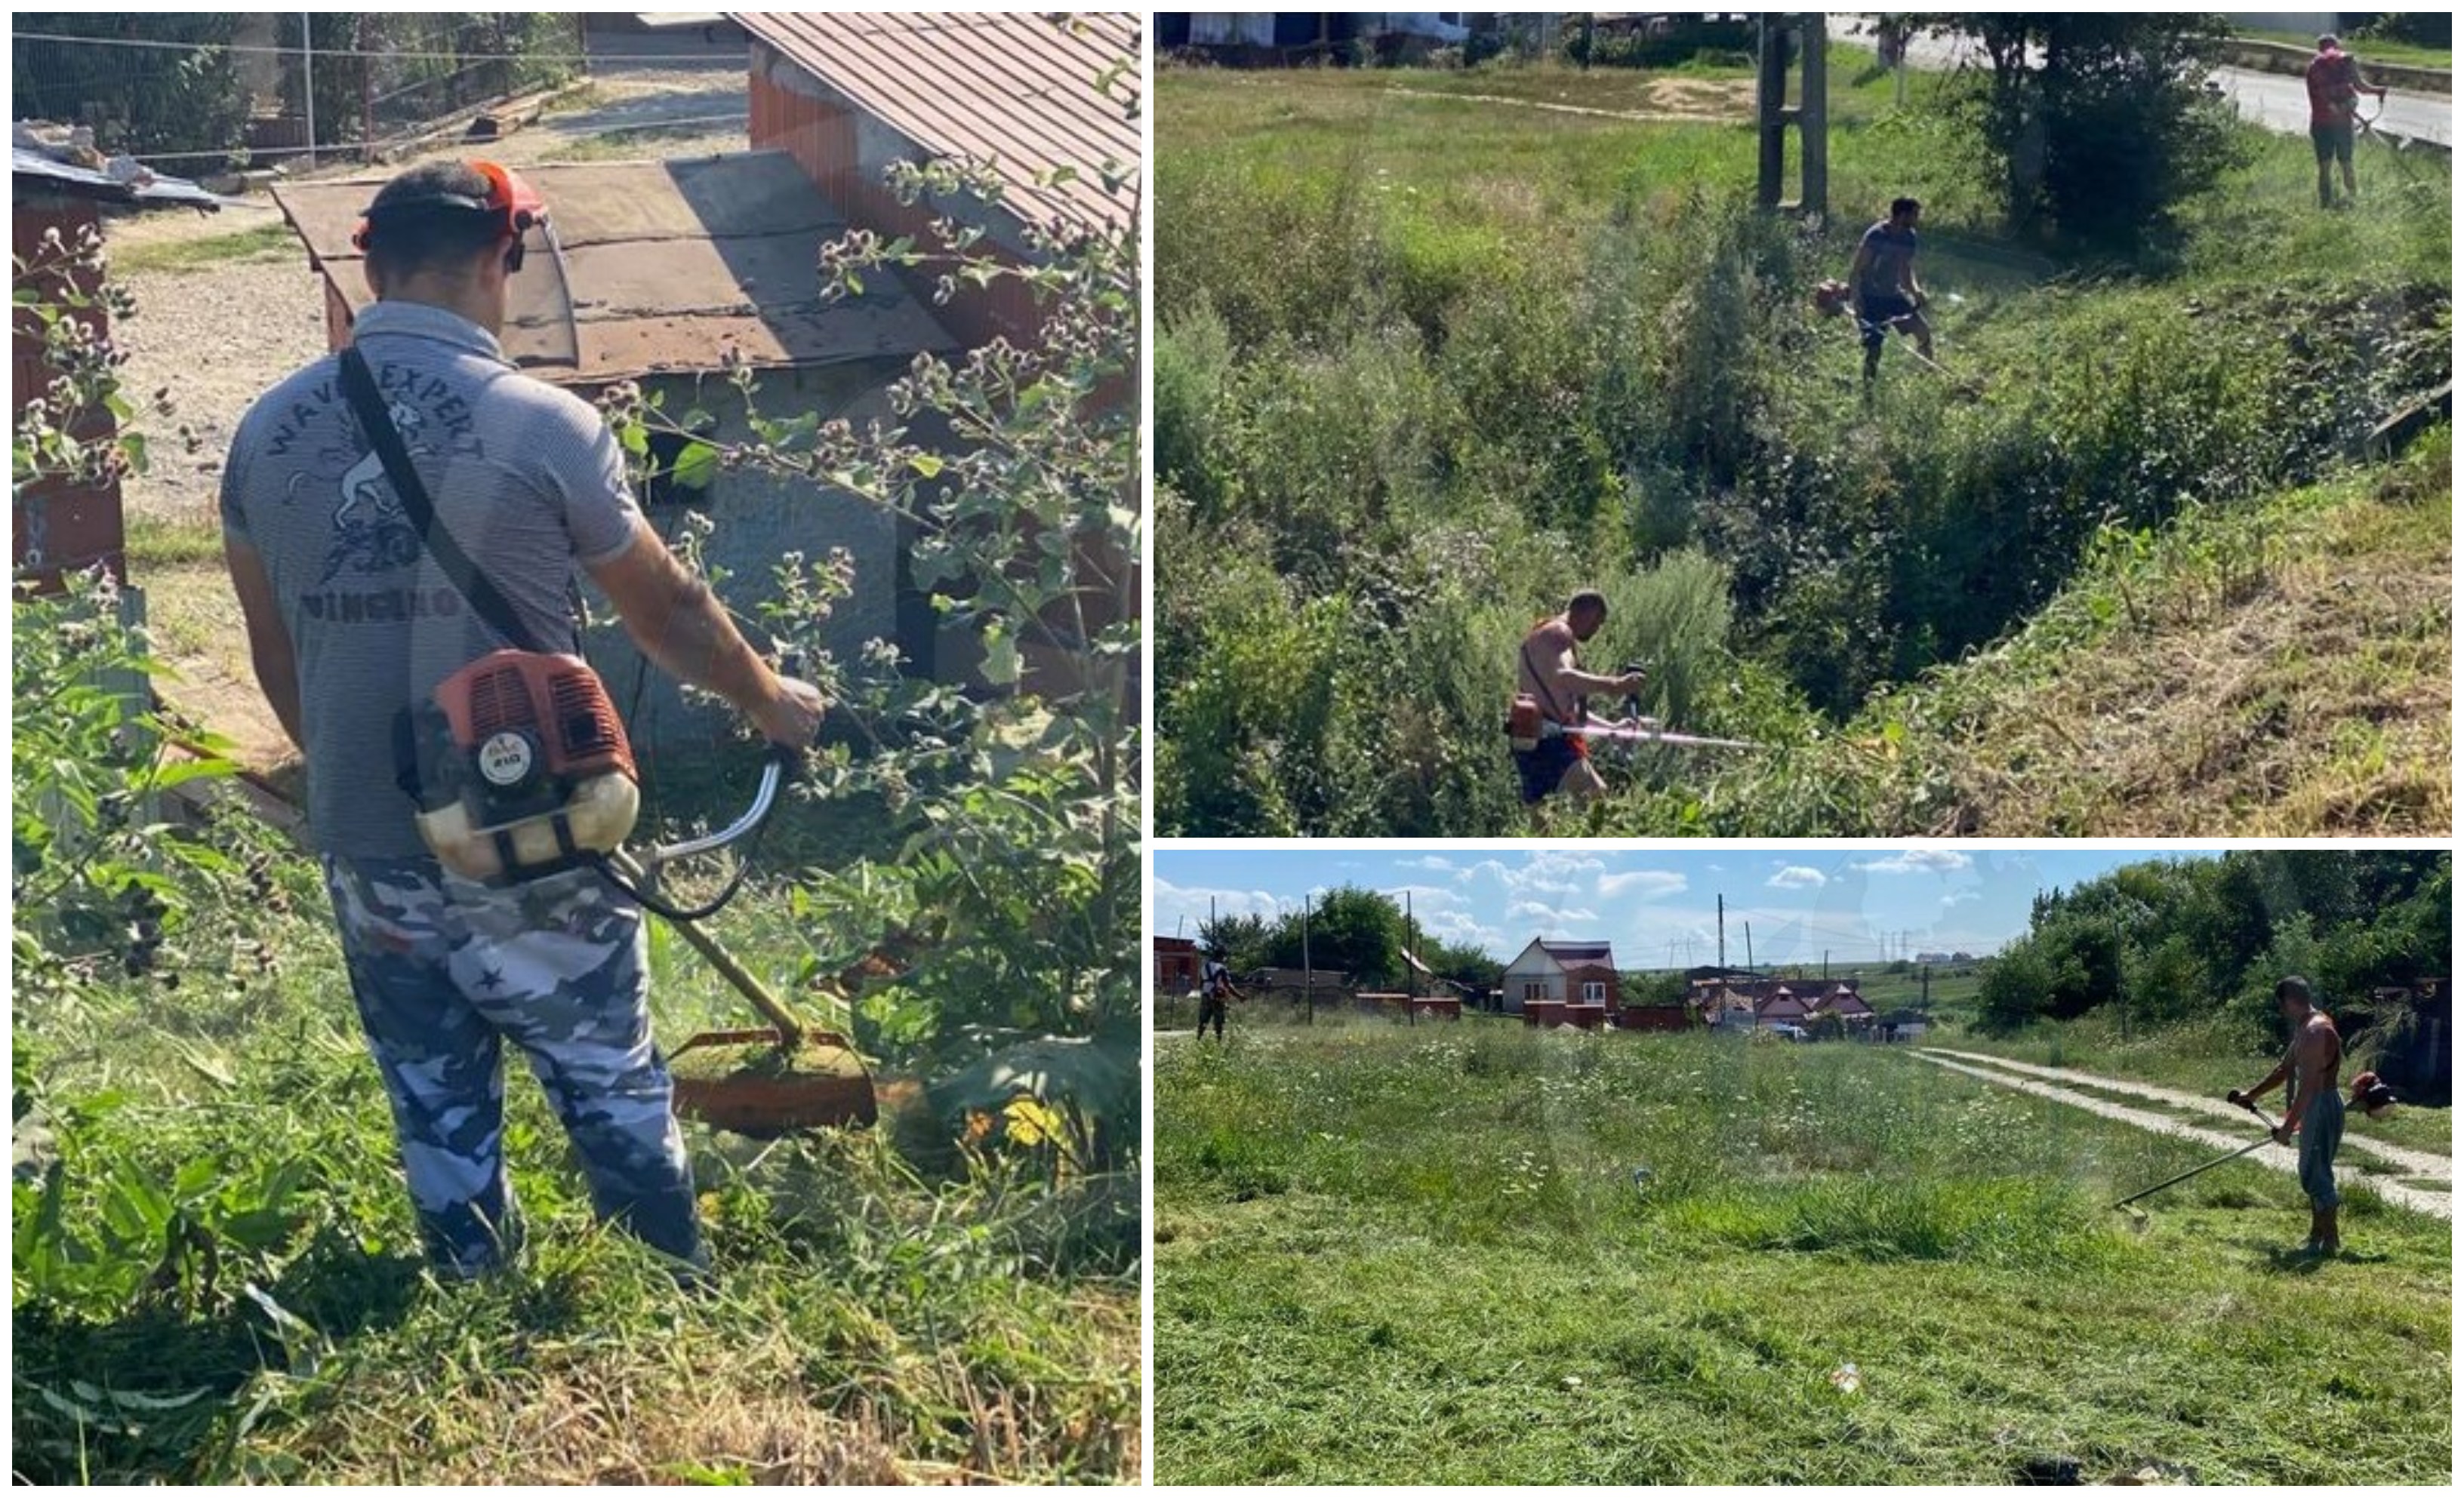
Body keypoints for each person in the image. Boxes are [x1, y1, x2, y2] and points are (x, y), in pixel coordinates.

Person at [220, 161, 826, 1282]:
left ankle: (473, 1285)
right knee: (607, 1074)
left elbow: (275, 650)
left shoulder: (263, 434)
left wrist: (360, 785)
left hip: (370, 847)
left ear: (370, 266)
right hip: (538, 832)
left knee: (433, 1094)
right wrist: (770, 700)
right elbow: (669, 612)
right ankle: (670, 1291)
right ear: (506, 258)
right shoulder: (548, 425)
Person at [2227, 976, 2346, 1256]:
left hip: (2321, 1104)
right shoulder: (2306, 1028)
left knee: (2315, 1174)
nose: (2281, 1010)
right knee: (2313, 1171)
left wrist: (2287, 1128)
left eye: (2281, 1004)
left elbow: (2308, 1087)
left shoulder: (2315, 1032)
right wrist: (2251, 1095)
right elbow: (2284, 1070)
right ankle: (2316, 1237)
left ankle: (2330, 1243)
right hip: (2315, 1103)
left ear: (2290, 1001)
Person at [1514, 591, 1648, 817]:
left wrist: (1611, 728)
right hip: (1548, 739)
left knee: (1543, 818)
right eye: (1598, 622)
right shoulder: (1559, 633)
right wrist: (1615, 685)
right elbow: (1564, 676)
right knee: (1596, 795)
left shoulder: (1543, 635)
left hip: (1528, 736)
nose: (1597, 630)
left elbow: (1567, 709)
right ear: (1588, 613)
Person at [1846, 196, 1935, 384]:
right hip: (1870, 298)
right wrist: (1856, 300)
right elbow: (1857, 270)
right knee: (1874, 349)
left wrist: (1916, 292)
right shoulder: (1876, 236)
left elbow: (1905, 269)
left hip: (1893, 296)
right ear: (1902, 215)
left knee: (1923, 332)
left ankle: (1928, 378)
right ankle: (1868, 390)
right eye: (1914, 215)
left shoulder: (1909, 237)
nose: (1917, 219)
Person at [2305, 35, 2389, 209]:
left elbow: (2318, 94)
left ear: (2320, 48)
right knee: (2347, 164)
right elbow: (2361, 87)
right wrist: (2379, 91)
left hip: (2321, 123)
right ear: (2337, 46)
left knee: (2324, 167)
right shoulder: (2346, 62)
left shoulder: (2314, 67)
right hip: (2343, 123)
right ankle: (2353, 201)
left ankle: (2325, 204)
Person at [1198, 949, 1241, 1041]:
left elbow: (1201, 984)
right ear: (1222, 957)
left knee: (1203, 1020)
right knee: (1219, 1020)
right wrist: (1239, 996)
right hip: (1217, 996)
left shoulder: (1204, 967)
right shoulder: (1221, 968)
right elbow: (1227, 985)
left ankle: (1199, 1038)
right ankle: (1218, 1041)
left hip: (1205, 995)